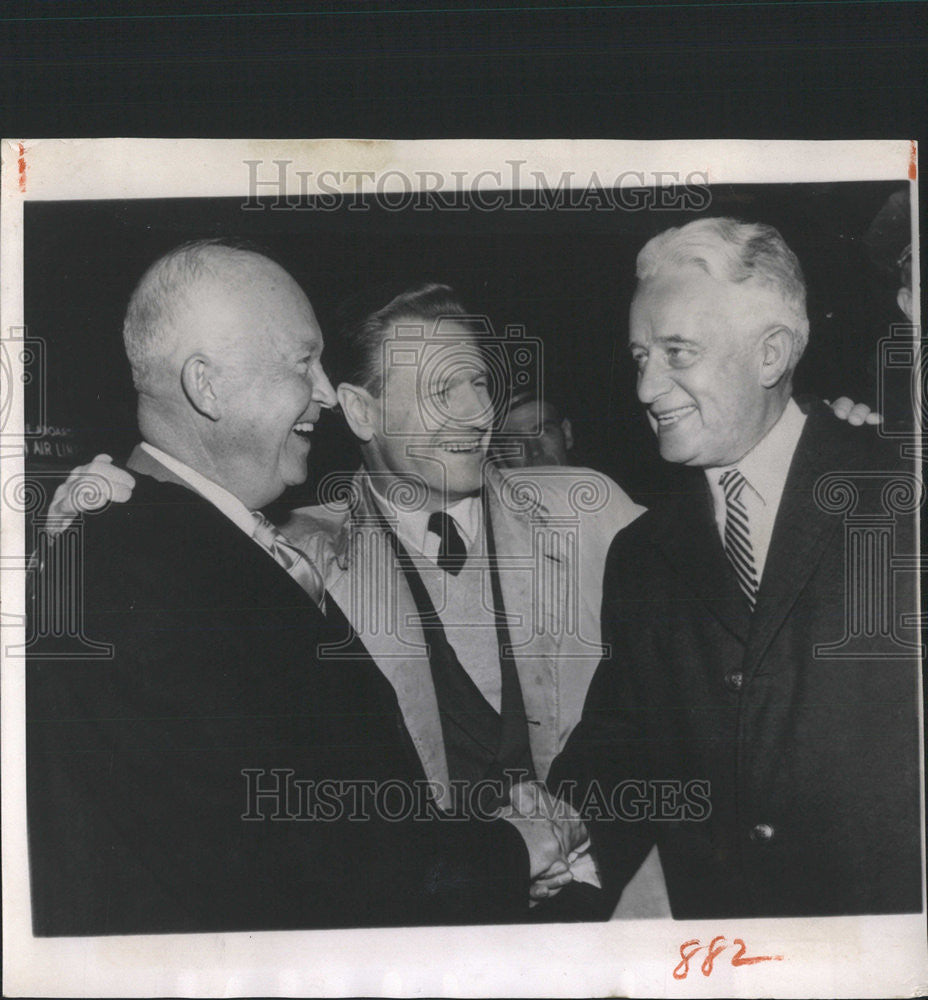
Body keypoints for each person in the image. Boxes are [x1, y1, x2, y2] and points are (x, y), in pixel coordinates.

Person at [26, 242, 579, 936]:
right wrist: (507, 855)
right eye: (302, 363)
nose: (325, 391)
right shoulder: (131, 564)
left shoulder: (196, 548)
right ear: (208, 386)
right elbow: (261, 863)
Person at [548, 217, 922, 918]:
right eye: (638, 357)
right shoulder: (641, 555)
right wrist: (558, 821)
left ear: (771, 353)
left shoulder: (901, 499)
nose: (646, 388)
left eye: (678, 353)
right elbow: (624, 743)